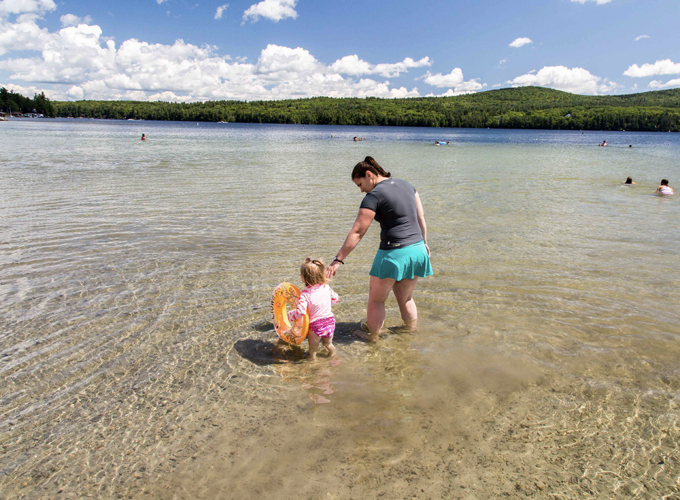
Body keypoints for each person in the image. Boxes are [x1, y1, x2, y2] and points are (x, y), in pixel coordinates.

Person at [326, 156, 433, 342]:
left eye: (360, 184)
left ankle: (372, 337)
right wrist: (424, 243)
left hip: (394, 253)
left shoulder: (374, 196)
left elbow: (358, 232)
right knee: (406, 298)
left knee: (377, 300)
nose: (361, 190)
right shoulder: (407, 185)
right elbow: (421, 218)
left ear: (369, 175)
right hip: (417, 250)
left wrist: (338, 259)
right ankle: (410, 332)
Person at [288, 258, 339, 360]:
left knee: (313, 350)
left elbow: (300, 312)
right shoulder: (326, 287)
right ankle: (334, 357)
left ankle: (312, 365)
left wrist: (289, 315)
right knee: (328, 344)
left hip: (316, 325)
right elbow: (335, 299)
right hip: (330, 321)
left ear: (303, 278)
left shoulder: (305, 294)